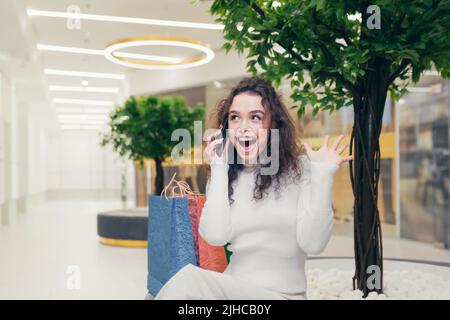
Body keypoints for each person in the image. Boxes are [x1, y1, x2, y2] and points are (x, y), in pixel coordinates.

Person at [154, 77, 352, 300]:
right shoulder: (226, 174)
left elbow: (314, 244)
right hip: (232, 291)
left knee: (188, 280)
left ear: (273, 125)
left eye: (255, 118)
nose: (243, 128)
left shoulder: (302, 169)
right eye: (235, 118)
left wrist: (322, 174)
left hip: (284, 295)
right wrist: (218, 168)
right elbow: (215, 236)